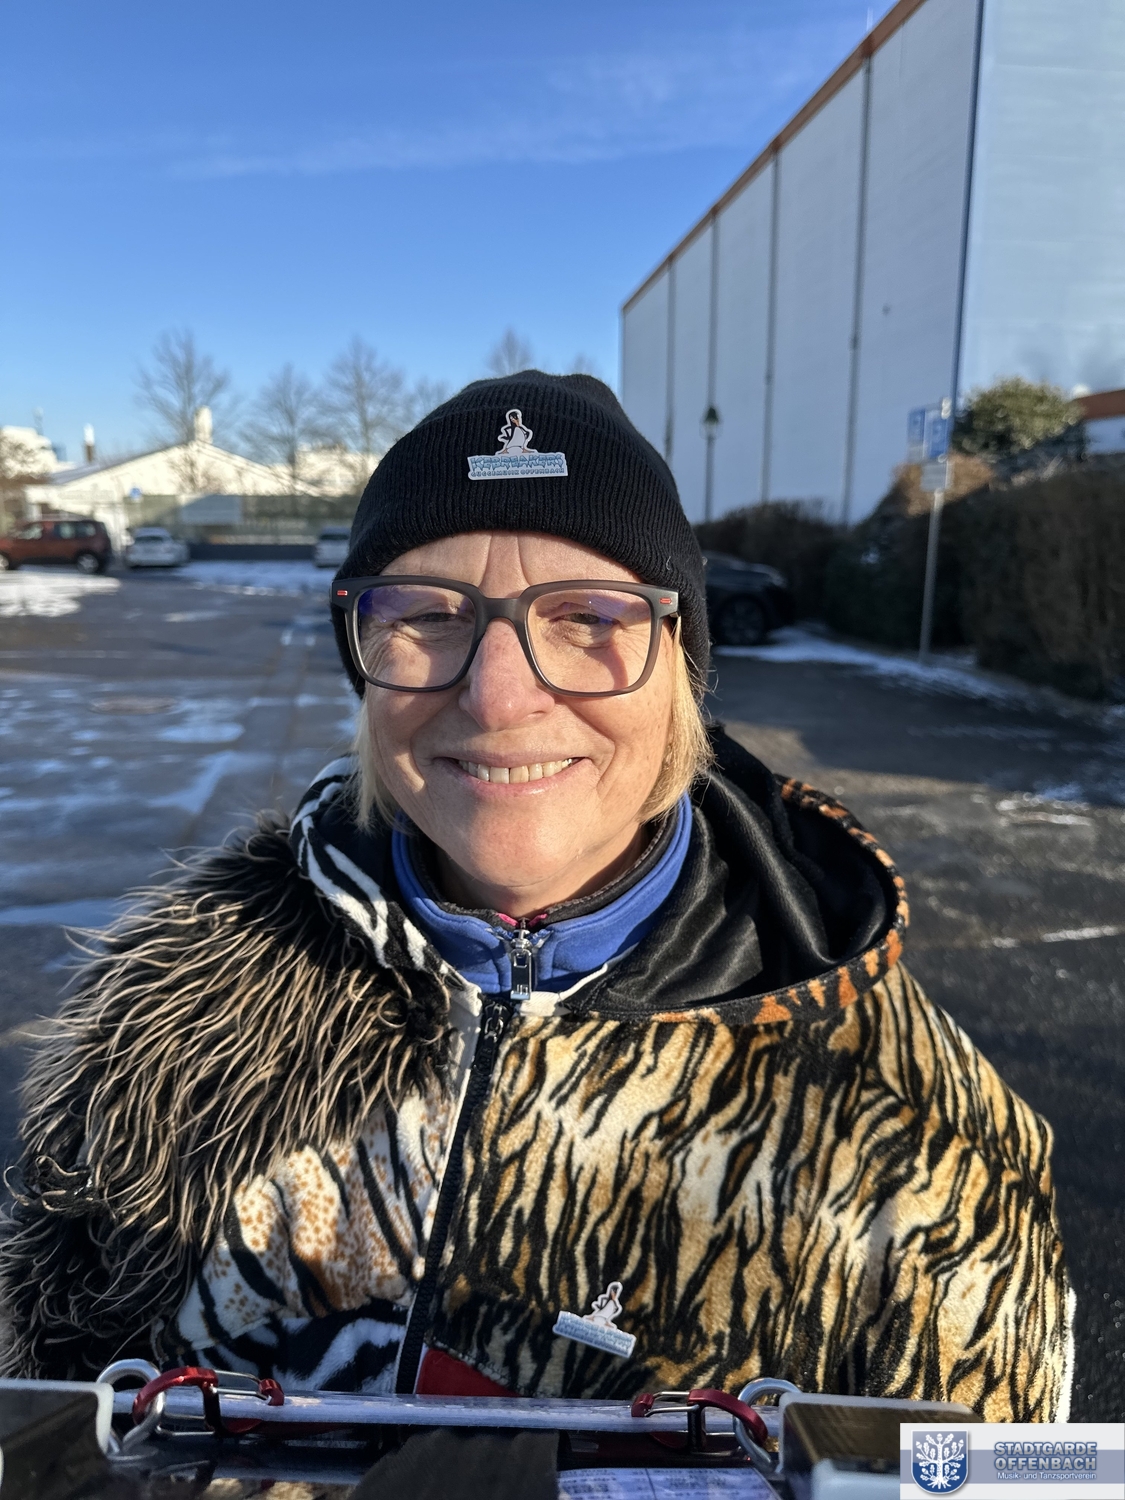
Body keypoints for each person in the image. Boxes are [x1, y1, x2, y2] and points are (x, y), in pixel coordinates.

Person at [0, 372, 1072, 1422]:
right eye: (428, 614)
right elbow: (64, 1414)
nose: (500, 694)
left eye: (587, 615)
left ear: (679, 666)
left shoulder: (916, 1131)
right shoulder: (179, 1018)